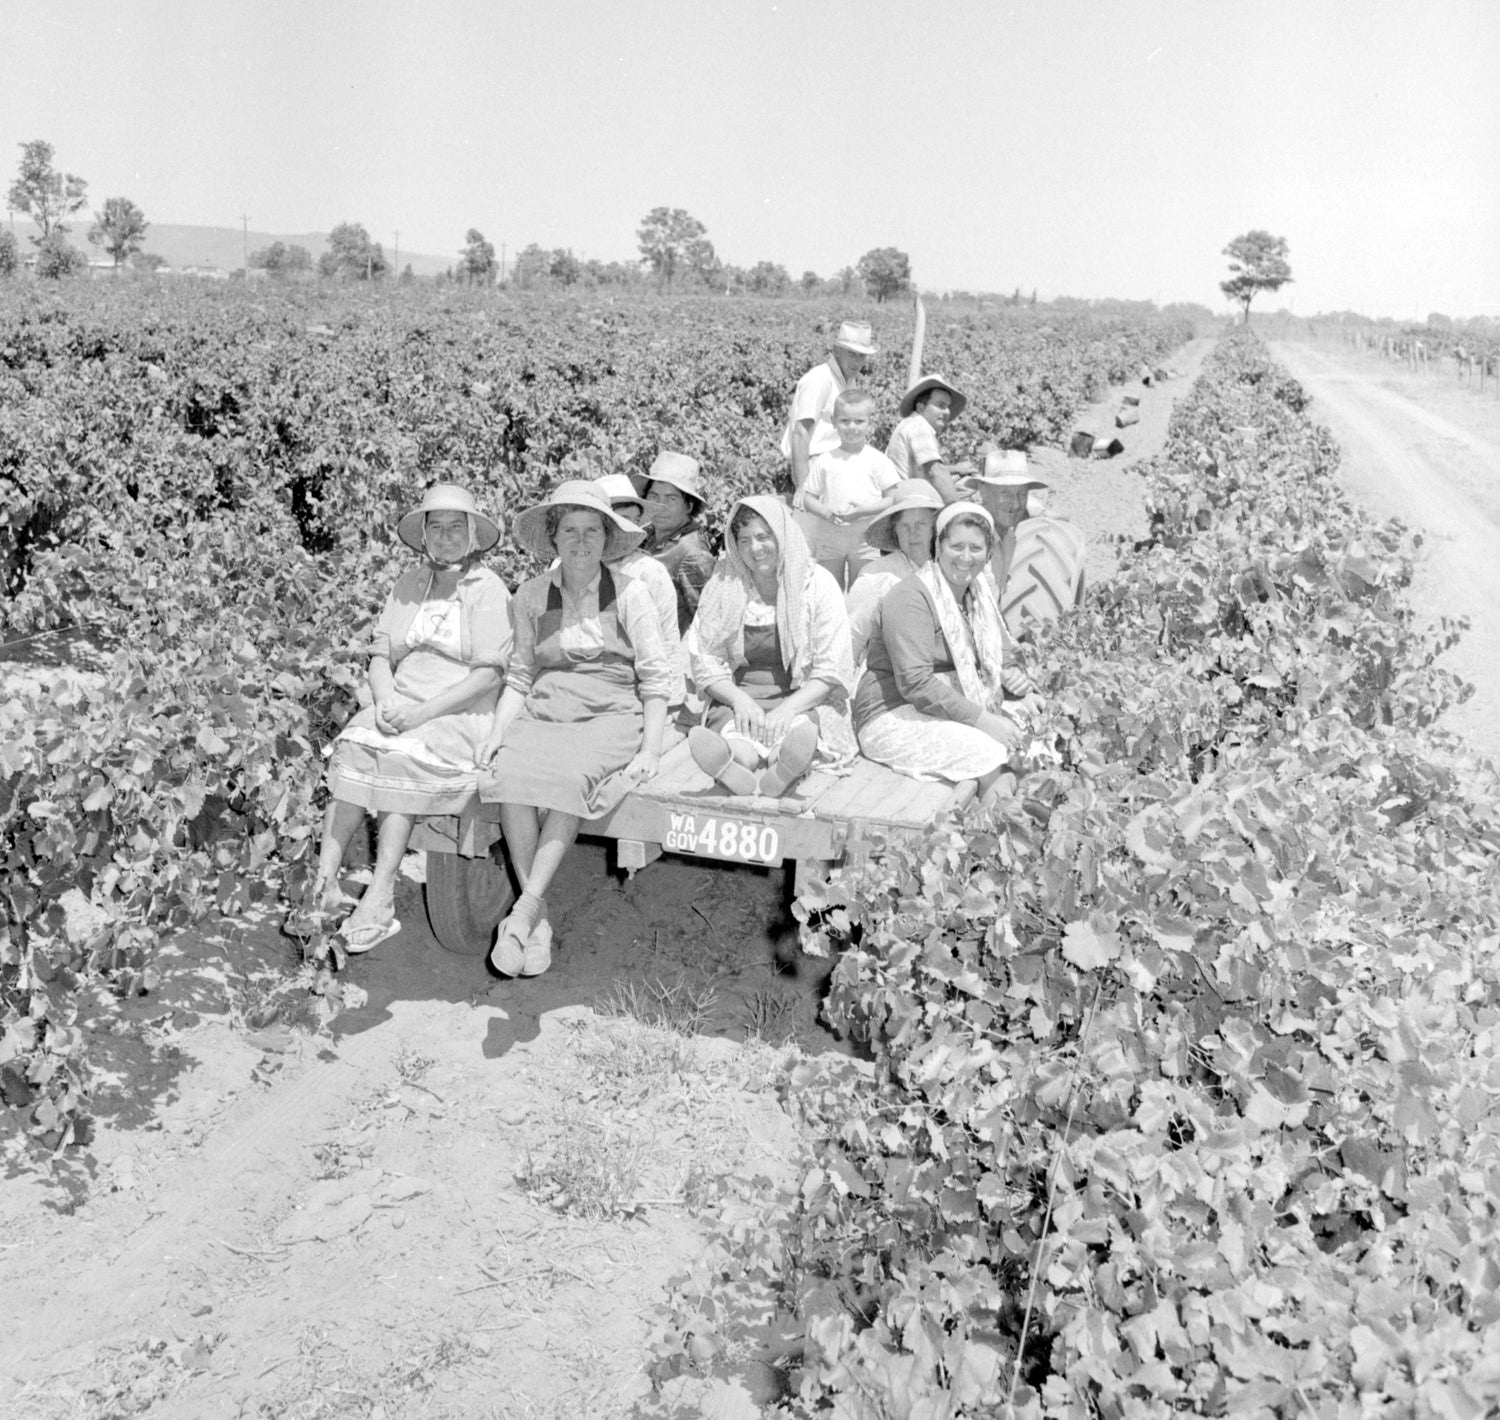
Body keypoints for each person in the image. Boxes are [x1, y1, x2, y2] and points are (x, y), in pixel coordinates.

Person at [477, 481, 671, 977]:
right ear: (554, 538)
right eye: (569, 530)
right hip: (549, 707)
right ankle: (533, 920)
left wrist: (651, 749)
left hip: (610, 713)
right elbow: (520, 675)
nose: (581, 541)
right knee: (510, 776)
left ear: (607, 539)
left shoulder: (632, 594)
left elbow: (654, 678)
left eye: (591, 531)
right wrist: (499, 729)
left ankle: (522, 911)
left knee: (568, 780)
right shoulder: (532, 595)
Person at [311, 484, 511, 953]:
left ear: (473, 535)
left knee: (399, 759)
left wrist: (421, 712)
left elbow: (487, 676)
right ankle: (324, 886)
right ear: (423, 534)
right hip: (404, 697)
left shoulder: (488, 590)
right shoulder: (409, 583)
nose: (445, 537)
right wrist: (382, 700)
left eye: (455, 527)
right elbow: (382, 653)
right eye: (436, 527)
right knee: (356, 745)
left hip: (459, 709)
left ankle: (380, 896)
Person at [854, 502, 1040, 807]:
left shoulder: (978, 595)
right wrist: (984, 720)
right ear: (937, 548)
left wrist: (1016, 682)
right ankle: (1001, 838)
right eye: (956, 546)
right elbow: (915, 684)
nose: (966, 558)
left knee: (1038, 735)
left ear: (988, 553)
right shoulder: (909, 598)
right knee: (993, 754)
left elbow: (1003, 654)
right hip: (893, 712)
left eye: (976, 548)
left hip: (949, 703)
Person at [688, 496, 857, 798]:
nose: (755, 548)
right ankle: (734, 765)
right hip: (741, 696)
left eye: (764, 537)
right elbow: (705, 657)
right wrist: (739, 700)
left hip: (801, 697)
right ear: (734, 544)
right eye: (744, 540)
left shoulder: (817, 584)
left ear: (783, 535)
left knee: (795, 735)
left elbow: (832, 668)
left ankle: (786, 767)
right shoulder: (724, 581)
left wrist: (788, 709)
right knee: (738, 738)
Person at [592, 473, 686, 710]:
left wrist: (671, 706)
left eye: (634, 521)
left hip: (634, 691)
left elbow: (668, 644)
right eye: (620, 519)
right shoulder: (566, 568)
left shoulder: (649, 572)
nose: (628, 529)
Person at [963, 448, 1086, 628]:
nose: (1014, 504)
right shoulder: (968, 544)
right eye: (1004, 493)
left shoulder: (1014, 536)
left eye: (1021, 494)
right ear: (983, 491)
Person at [793, 388, 899, 591]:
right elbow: (808, 498)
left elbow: (893, 498)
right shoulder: (825, 460)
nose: (852, 427)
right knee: (829, 589)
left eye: (859, 421)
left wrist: (863, 511)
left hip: (865, 539)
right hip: (830, 537)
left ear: (870, 423)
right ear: (834, 422)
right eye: (845, 421)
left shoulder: (877, 460)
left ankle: (855, 623)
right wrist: (825, 511)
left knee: (862, 588)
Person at [844, 479, 944, 666]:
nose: (913, 533)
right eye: (905, 526)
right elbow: (849, 643)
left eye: (921, 524)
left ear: (934, 528)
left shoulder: (950, 570)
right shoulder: (876, 577)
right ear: (895, 531)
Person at [780, 319, 879, 501]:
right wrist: (803, 487)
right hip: (813, 467)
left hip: (834, 466)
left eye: (862, 355)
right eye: (852, 353)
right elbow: (800, 432)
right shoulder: (820, 380)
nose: (857, 361)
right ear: (837, 351)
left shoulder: (848, 382)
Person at [634, 451, 716, 634]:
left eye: (671, 499)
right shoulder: (646, 535)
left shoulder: (693, 554)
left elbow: (706, 623)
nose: (660, 506)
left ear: (689, 506)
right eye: (654, 496)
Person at [885, 374, 976, 505]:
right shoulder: (920, 427)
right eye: (941, 405)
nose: (947, 412)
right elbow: (935, 472)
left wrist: (956, 468)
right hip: (912, 502)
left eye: (948, 406)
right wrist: (956, 510)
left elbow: (922, 467)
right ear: (921, 408)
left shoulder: (909, 424)